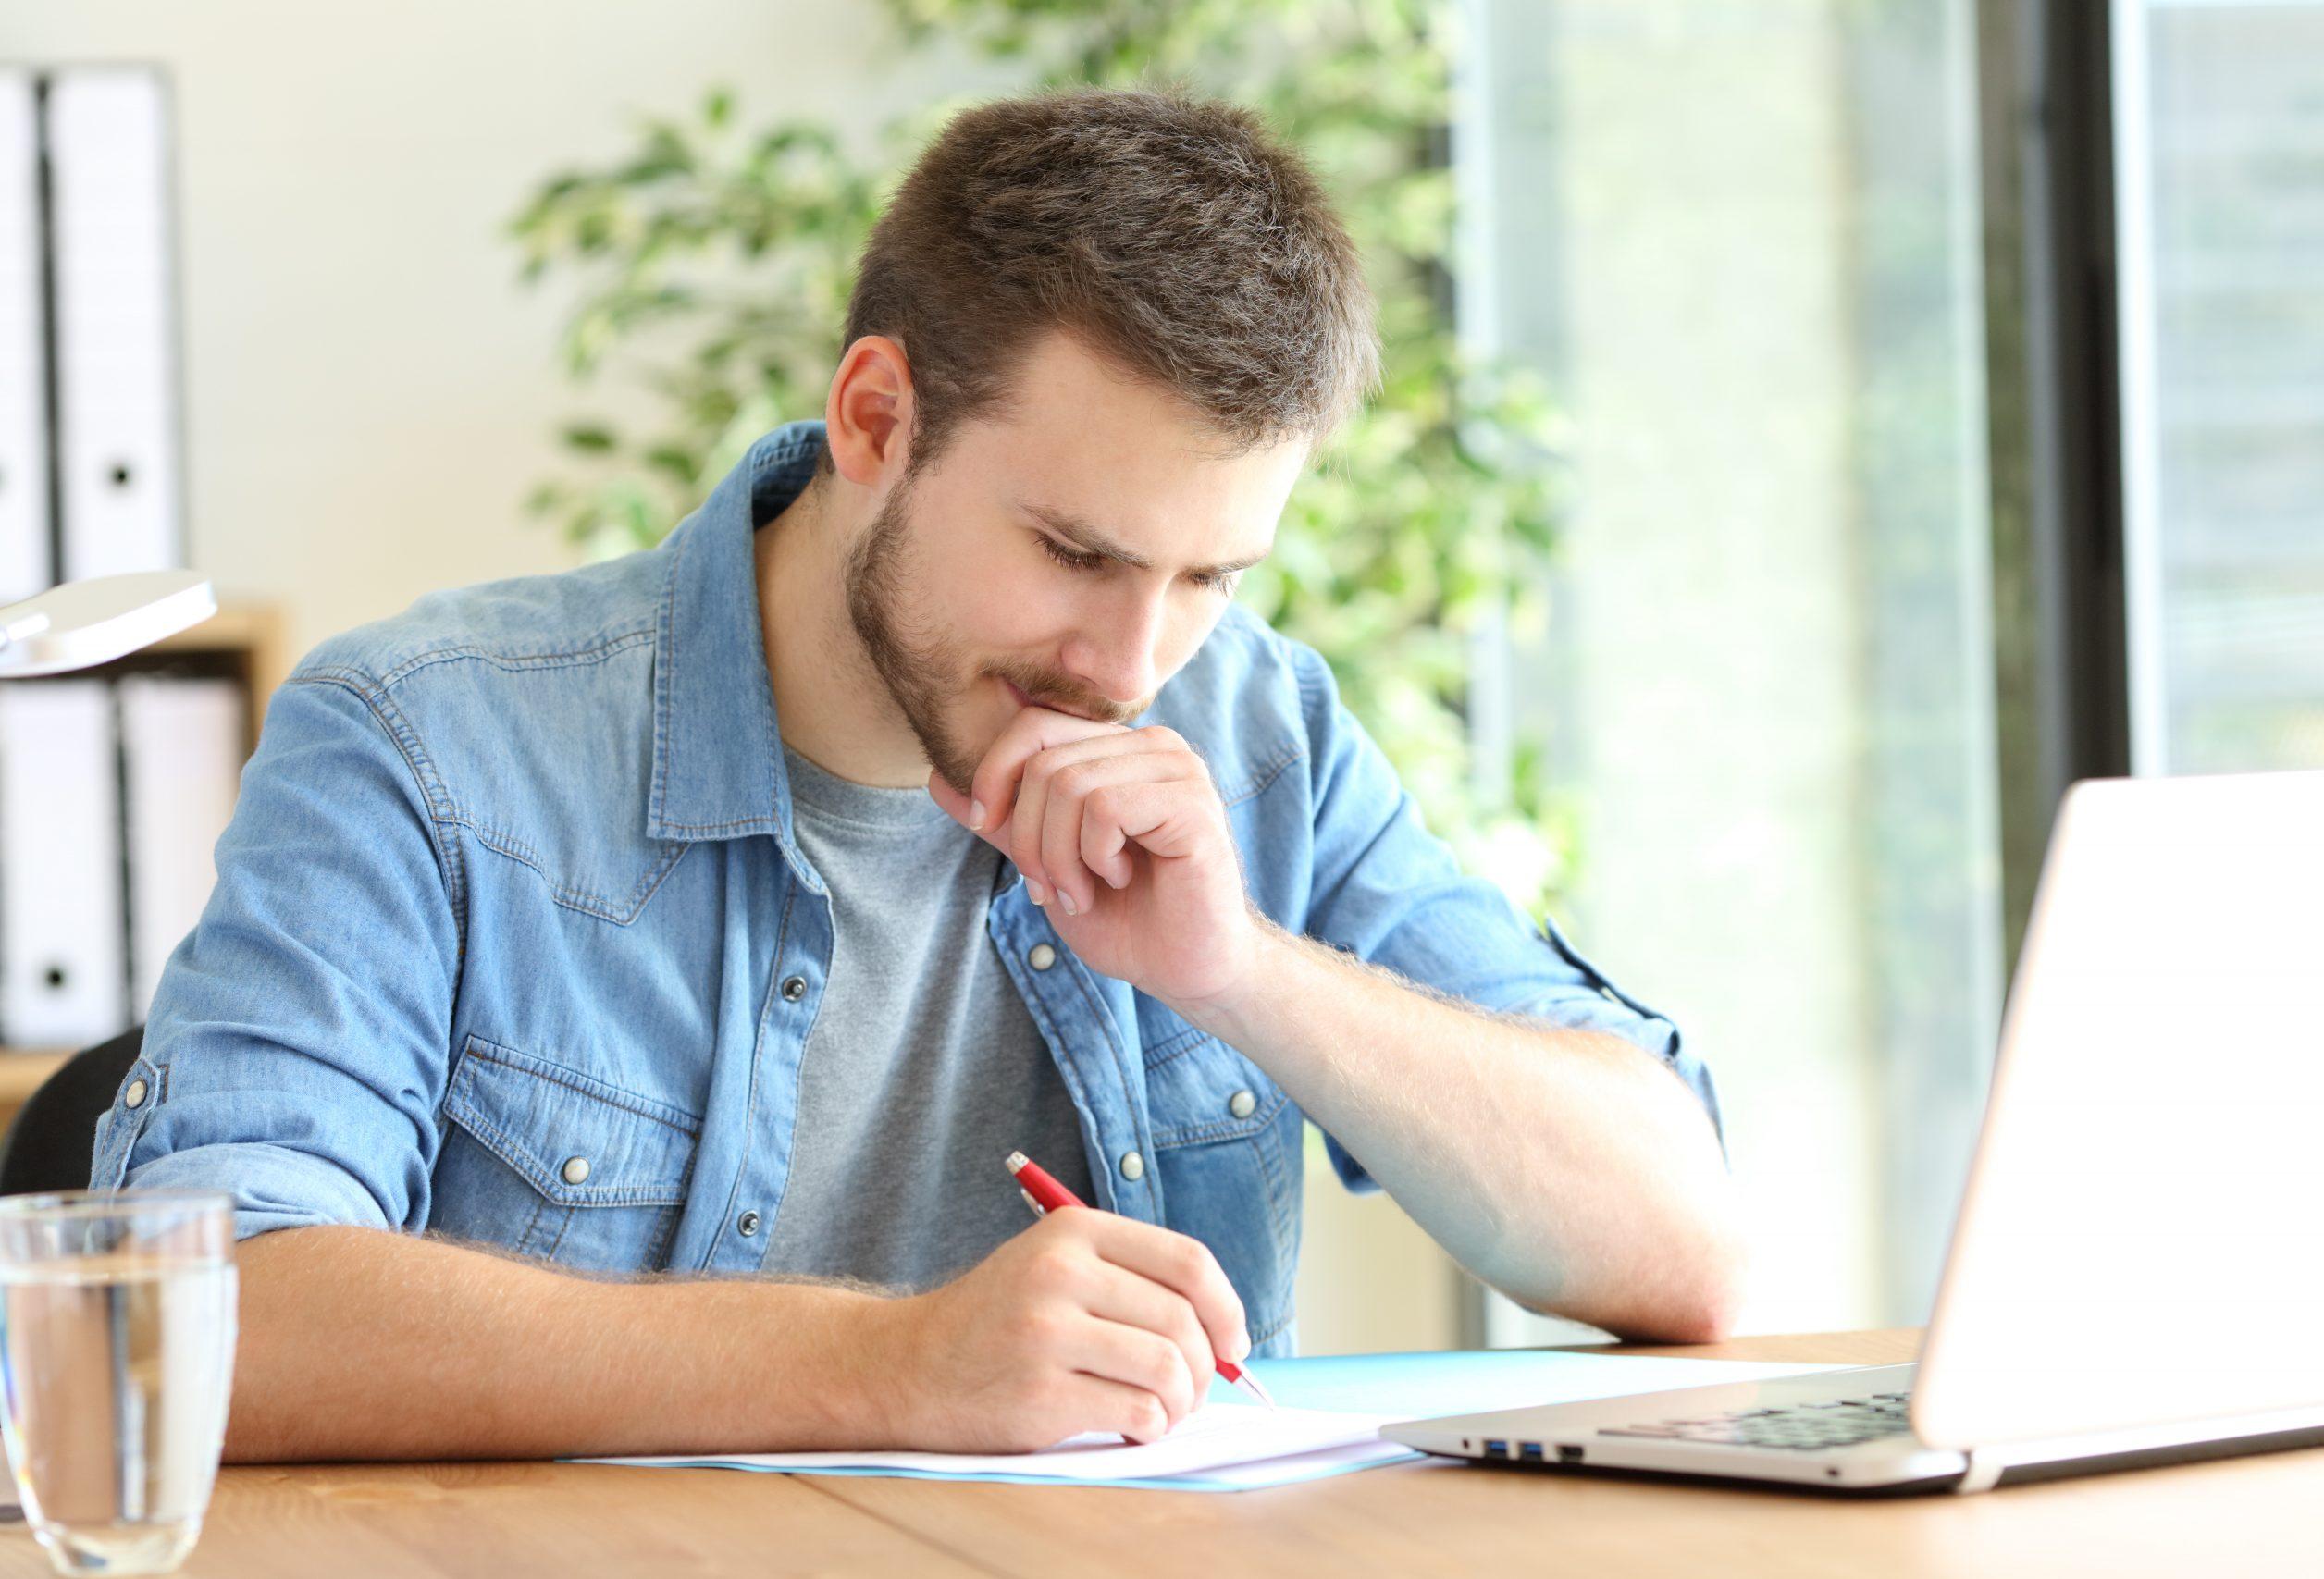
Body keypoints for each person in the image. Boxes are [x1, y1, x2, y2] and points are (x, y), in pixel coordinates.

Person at [93, 85, 1742, 1462]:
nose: (1130, 660)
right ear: (876, 416)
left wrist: (1243, 973)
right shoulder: (426, 745)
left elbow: (1677, 1247)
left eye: (1210, 576)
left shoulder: (1252, 728)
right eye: (1074, 550)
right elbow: (191, 1329)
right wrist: (886, 1365)